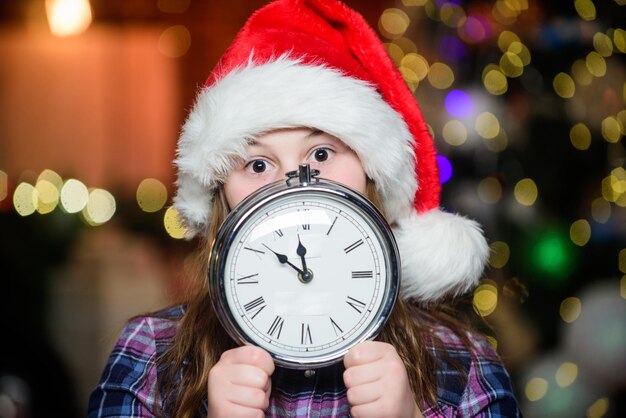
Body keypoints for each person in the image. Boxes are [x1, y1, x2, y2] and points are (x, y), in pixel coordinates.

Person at [88, 0, 522, 417]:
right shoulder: (152, 356)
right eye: (258, 164)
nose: (294, 186)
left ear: (371, 172)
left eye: (320, 154)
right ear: (222, 195)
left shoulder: (461, 364)